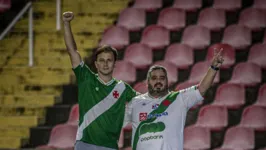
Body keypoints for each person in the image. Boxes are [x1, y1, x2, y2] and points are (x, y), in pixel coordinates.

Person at [62, 11, 137, 150]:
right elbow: (72, 51)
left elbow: (145, 101)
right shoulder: (86, 78)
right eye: (101, 60)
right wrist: (66, 24)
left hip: (109, 147)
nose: (105, 64)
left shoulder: (122, 88)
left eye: (109, 60)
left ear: (115, 64)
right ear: (96, 64)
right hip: (84, 144)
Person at [124, 48, 224, 150]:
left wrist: (213, 68)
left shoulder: (178, 98)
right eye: (154, 78)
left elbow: (202, 88)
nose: (158, 81)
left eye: (162, 78)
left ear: (167, 81)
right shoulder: (135, 102)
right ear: (147, 82)